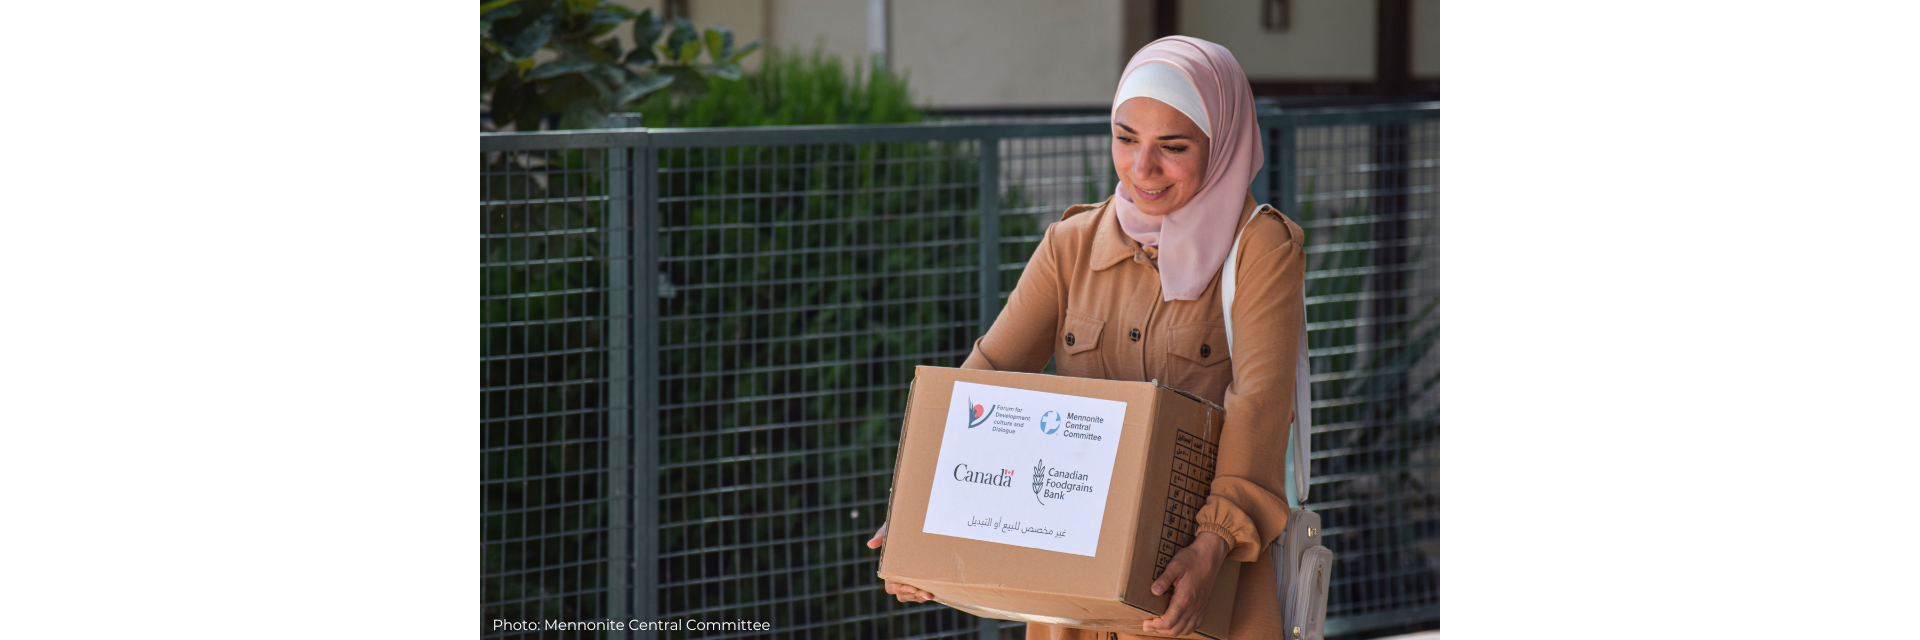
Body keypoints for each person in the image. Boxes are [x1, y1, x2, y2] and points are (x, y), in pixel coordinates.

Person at [867, 36, 1306, 640]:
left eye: (1172, 147)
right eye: (1126, 139)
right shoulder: (1070, 244)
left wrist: (1213, 543)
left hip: (1200, 585)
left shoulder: (1260, 249)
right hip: (1072, 588)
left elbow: (1257, 404)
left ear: (1223, 142)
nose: (1142, 168)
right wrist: (919, 512)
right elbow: (990, 373)